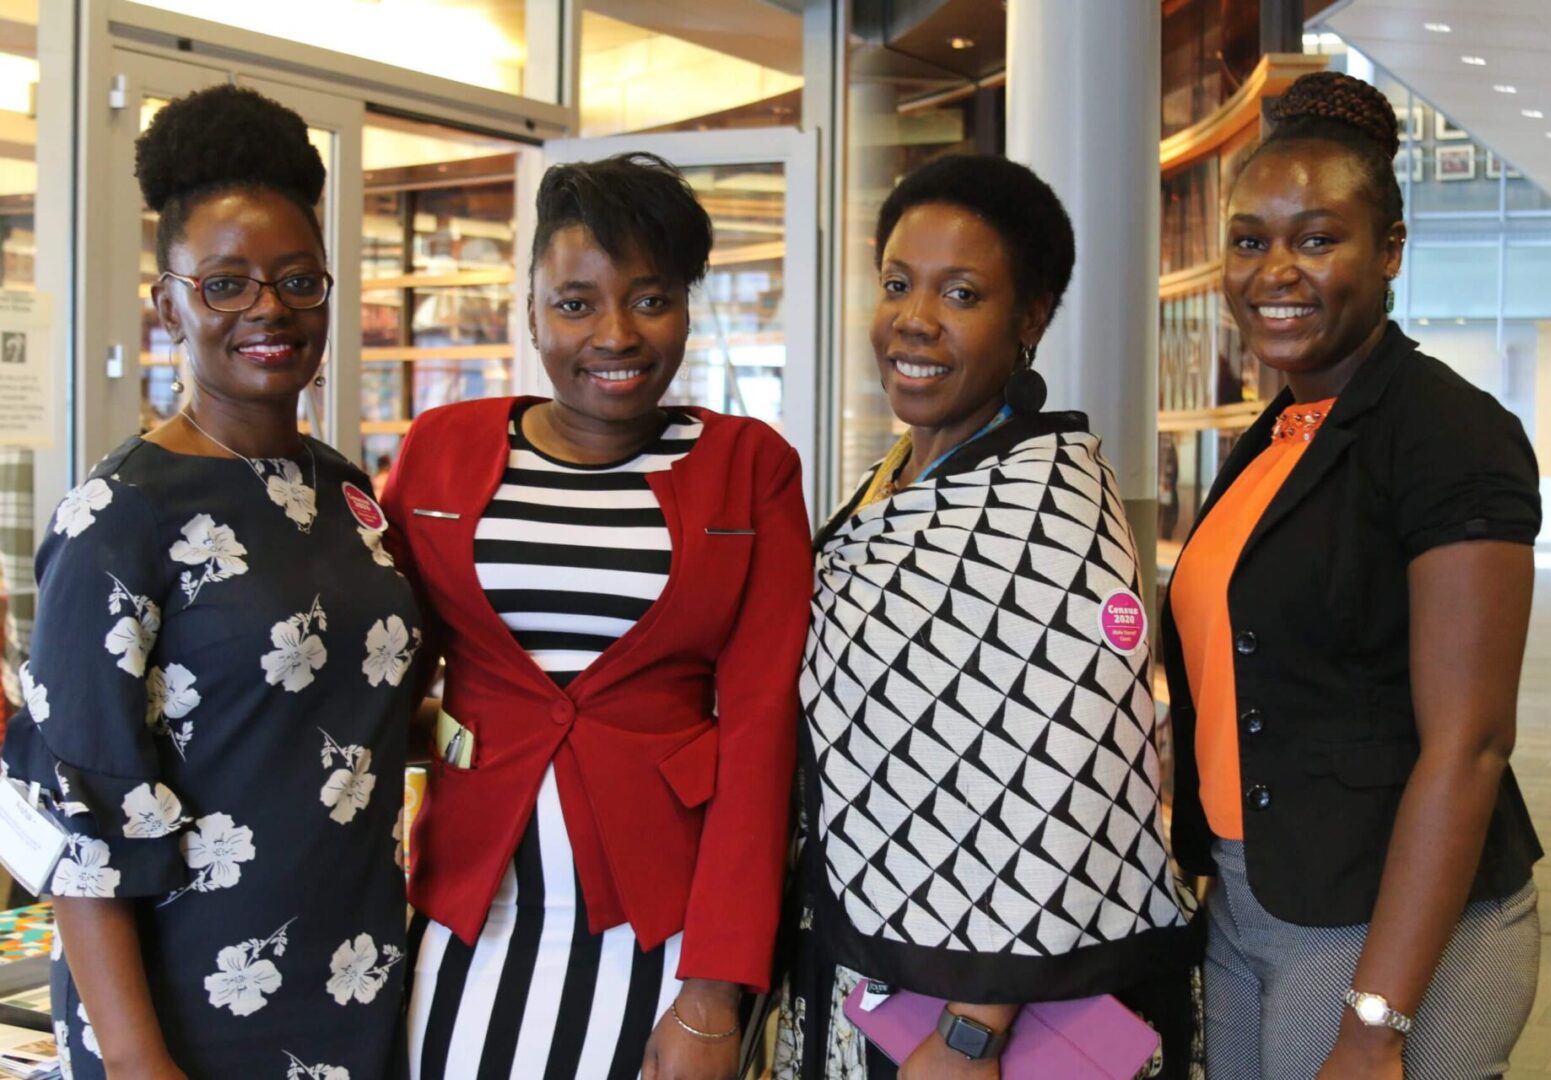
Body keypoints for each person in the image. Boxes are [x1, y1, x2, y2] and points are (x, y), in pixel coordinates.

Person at [1, 85, 421, 1078]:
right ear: (169, 303)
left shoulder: (346, 494)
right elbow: (79, 831)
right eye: (225, 284)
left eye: (297, 280)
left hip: (357, 983)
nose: (268, 309)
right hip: (188, 1016)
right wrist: (145, 1069)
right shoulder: (120, 519)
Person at [385, 152, 811, 1080]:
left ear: (688, 307)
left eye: (650, 299)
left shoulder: (750, 466)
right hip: (472, 906)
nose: (615, 334)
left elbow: (759, 732)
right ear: (531, 309)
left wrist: (714, 990)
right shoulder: (443, 452)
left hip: (662, 924)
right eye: (576, 303)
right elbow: (381, 672)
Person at [776, 154, 1197, 1080]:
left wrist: (973, 1030)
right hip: (881, 958)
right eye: (896, 284)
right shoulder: (906, 475)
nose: (913, 320)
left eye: (960, 293)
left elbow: (1068, 775)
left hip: (980, 1008)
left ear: (1030, 319)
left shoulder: (1043, 508)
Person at [1161, 71, 1543, 1079]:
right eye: (1250, 240)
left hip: (1383, 919)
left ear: (1390, 253)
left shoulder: (1447, 434)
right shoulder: (1278, 433)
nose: (1275, 270)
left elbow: (1471, 745)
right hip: (1255, 900)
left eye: (1318, 239)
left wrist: (1375, 1022)